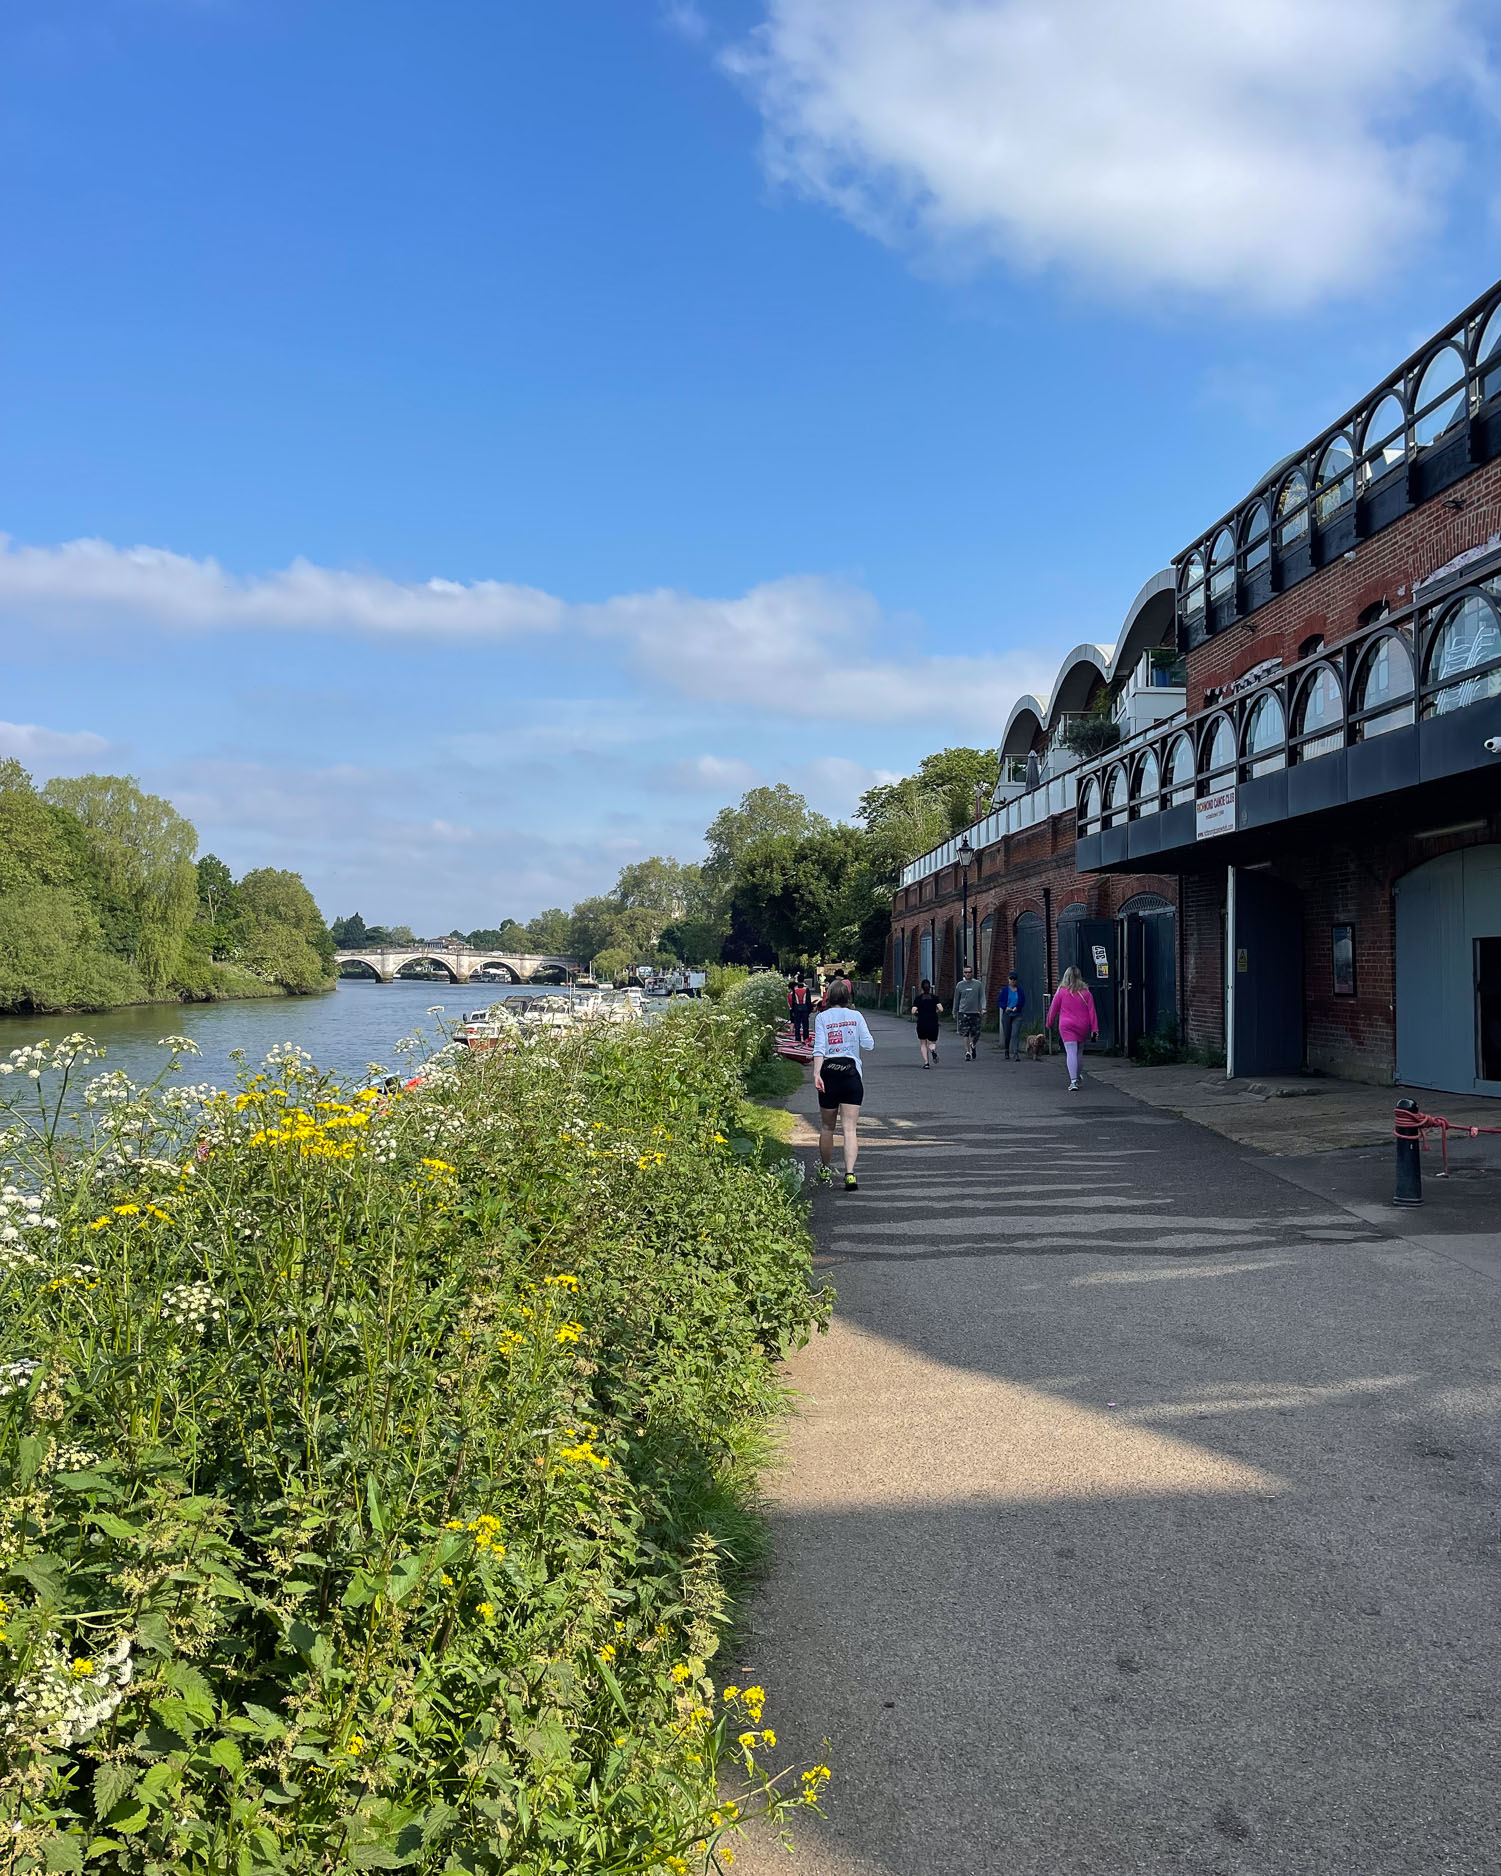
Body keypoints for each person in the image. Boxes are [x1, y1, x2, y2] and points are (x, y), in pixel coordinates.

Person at [812, 979, 874, 1191]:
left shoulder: (822, 1017)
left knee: (827, 1127)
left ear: (828, 996)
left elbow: (819, 1047)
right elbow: (869, 1043)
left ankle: (826, 1168)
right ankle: (850, 1174)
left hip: (829, 1074)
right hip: (851, 1075)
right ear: (848, 997)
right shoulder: (856, 1016)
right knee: (850, 1129)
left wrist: (816, 1074)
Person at [1045, 965, 1099, 1091]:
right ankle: (1077, 1076)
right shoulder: (1086, 993)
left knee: (1070, 1051)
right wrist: (1094, 1029)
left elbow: (1053, 1009)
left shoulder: (1061, 992)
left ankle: (1073, 1081)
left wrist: (1049, 1023)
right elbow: (1092, 1012)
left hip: (1066, 1025)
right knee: (1079, 1051)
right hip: (1082, 1025)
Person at [952, 963, 984, 1061]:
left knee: (976, 1033)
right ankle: (967, 1052)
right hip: (963, 1012)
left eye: (969, 972)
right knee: (965, 1033)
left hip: (975, 1012)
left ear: (972, 973)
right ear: (963, 973)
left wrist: (983, 1008)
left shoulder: (978, 984)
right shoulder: (960, 985)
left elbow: (982, 997)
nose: (968, 974)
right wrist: (955, 1011)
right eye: (966, 972)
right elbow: (956, 999)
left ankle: (973, 1045)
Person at [910, 977, 942, 1068]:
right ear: (930, 988)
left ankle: (926, 1063)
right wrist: (935, 1011)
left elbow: (913, 1011)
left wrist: (917, 1012)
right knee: (932, 1042)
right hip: (933, 1022)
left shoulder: (918, 998)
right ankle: (932, 1050)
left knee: (923, 1043)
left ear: (922, 988)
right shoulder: (935, 998)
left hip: (922, 1022)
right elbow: (941, 1009)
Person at [996, 972, 1026, 1061]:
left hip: (1017, 1014)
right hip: (1007, 1014)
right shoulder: (1005, 990)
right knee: (1007, 1033)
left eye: (1014, 979)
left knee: (1015, 1033)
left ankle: (1016, 1052)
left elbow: (1022, 1000)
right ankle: (1006, 1051)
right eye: (1011, 979)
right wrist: (1006, 1007)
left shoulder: (1019, 990)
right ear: (1008, 979)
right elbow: (1000, 1000)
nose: (1012, 981)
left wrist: (1017, 1007)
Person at [787, 972, 812, 1045]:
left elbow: (793, 1000)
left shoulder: (795, 989)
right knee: (805, 1025)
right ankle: (806, 1038)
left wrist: (793, 1010)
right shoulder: (806, 989)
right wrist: (809, 1010)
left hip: (797, 1008)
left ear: (797, 980)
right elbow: (808, 1001)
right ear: (803, 980)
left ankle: (797, 1039)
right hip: (804, 1008)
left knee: (797, 1025)